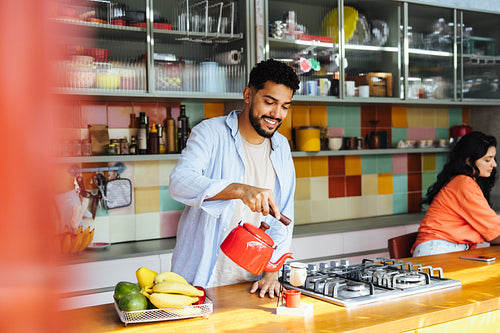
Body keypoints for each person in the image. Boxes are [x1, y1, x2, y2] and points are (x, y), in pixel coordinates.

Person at [169, 59, 300, 298]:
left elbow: (282, 216)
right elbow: (179, 183)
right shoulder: (210, 132)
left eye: (284, 106)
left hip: (253, 283)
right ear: (248, 95)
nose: (276, 114)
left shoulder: (281, 146)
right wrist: (238, 190)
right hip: (204, 280)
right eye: (269, 102)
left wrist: (273, 269)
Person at [412, 131, 500, 257]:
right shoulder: (464, 184)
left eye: (493, 158)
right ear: (469, 161)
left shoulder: (463, 181)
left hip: (444, 250)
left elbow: (492, 227)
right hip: (437, 251)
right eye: (488, 160)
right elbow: (494, 232)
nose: (494, 164)